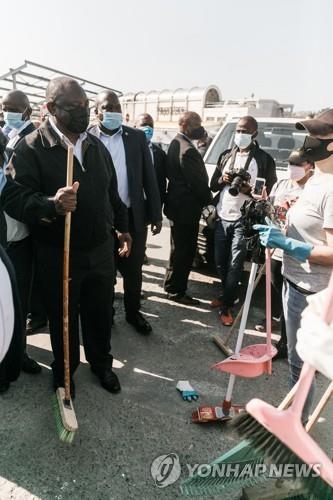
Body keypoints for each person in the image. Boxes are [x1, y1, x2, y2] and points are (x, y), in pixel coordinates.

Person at [1, 77, 131, 396]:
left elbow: (110, 195)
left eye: (85, 105)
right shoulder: (32, 147)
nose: (82, 111)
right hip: (58, 252)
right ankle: (65, 371)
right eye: (73, 106)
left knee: (100, 312)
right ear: (50, 108)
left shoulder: (94, 146)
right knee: (64, 318)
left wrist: (123, 228)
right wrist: (51, 205)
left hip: (100, 250)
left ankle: (102, 364)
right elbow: (13, 197)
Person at [255, 108, 333, 419]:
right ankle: (293, 415)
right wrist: (285, 221)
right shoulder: (316, 178)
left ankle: (295, 426)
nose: (310, 140)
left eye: (319, 135)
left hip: (313, 290)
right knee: (296, 359)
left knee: (302, 363)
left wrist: (289, 244)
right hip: (293, 279)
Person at [90, 92, 162, 335]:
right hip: (100, 218)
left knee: (133, 269)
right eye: (107, 107)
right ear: (96, 111)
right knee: (104, 270)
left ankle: (133, 313)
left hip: (132, 216)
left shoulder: (136, 137)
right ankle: (105, 313)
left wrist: (155, 214)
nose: (113, 111)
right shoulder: (86, 136)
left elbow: (149, 179)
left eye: (117, 106)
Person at [210, 116, 277, 326]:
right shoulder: (225, 155)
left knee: (235, 263)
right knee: (219, 261)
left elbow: (269, 194)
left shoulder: (264, 160)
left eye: (245, 131)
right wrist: (224, 179)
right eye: (238, 130)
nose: (240, 134)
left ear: (254, 133)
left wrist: (250, 191)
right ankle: (228, 294)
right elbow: (213, 185)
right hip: (222, 215)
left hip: (243, 219)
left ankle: (227, 305)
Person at [255, 149, 314, 360]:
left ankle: (300, 349)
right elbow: (270, 205)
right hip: (277, 248)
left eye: (297, 163)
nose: (292, 167)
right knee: (279, 292)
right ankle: (284, 338)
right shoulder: (282, 184)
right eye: (290, 163)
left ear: (310, 165)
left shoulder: (314, 189)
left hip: (299, 250)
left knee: (299, 304)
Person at [0, 90, 41, 390]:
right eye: (5, 109)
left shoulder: (34, 141)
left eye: (14, 110)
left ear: (27, 111)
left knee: (19, 302)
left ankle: (19, 352)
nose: (8, 115)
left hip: (22, 237)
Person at [164, 111, 212, 304]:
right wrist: (209, 200)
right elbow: (198, 183)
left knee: (177, 249)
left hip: (177, 205)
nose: (200, 128)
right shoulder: (187, 150)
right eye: (197, 125)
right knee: (184, 251)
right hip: (185, 209)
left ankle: (171, 285)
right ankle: (176, 291)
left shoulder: (176, 142)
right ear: (185, 125)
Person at [135, 113, 167, 205]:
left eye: (151, 125)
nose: (148, 128)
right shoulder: (126, 149)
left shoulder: (160, 153)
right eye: (144, 125)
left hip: (153, 205)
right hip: (132, 206)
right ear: (135, 127)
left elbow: (162, 181)